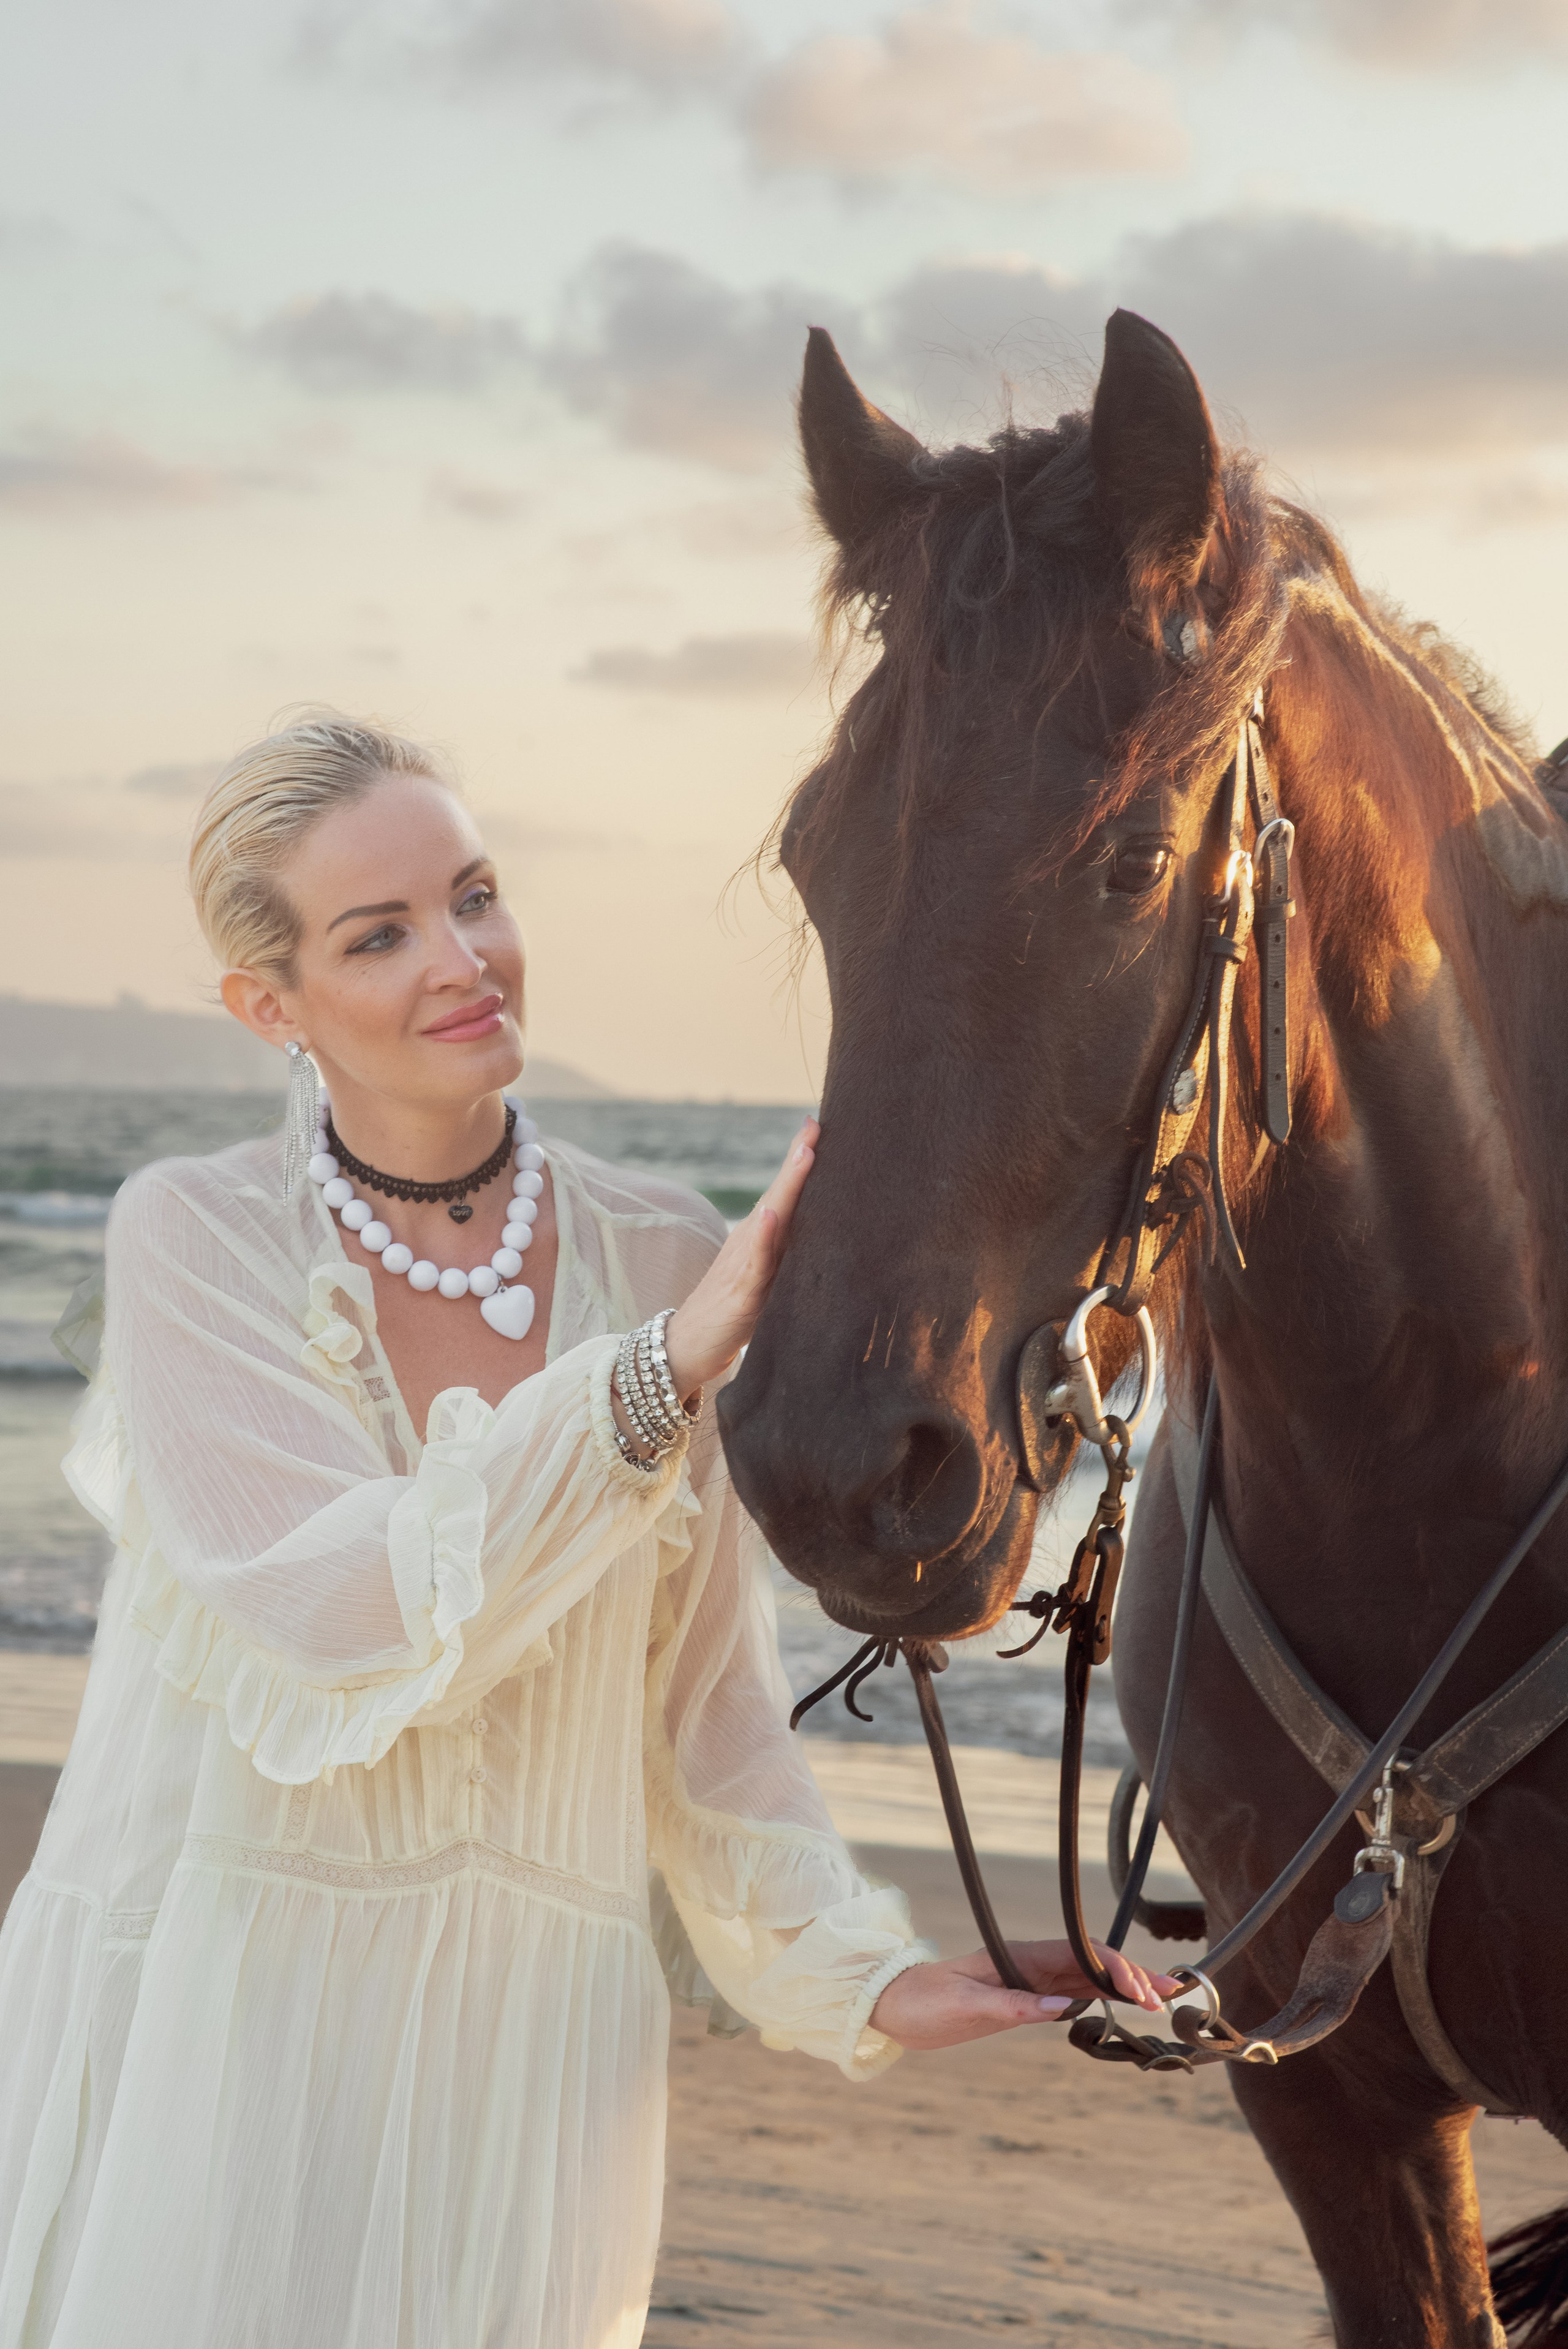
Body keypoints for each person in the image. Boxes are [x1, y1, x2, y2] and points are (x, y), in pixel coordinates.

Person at [0, 714, 1174, 2348]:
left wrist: (874, 1976)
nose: (465, 955)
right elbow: (337, 1611)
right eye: (381, 932)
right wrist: (658, 1373)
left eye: (474, 893)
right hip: (235, 2037)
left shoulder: (662, 1244)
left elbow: (710, 1728)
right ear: (270, 1005)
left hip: (539, 2072)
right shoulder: (192, 1237)